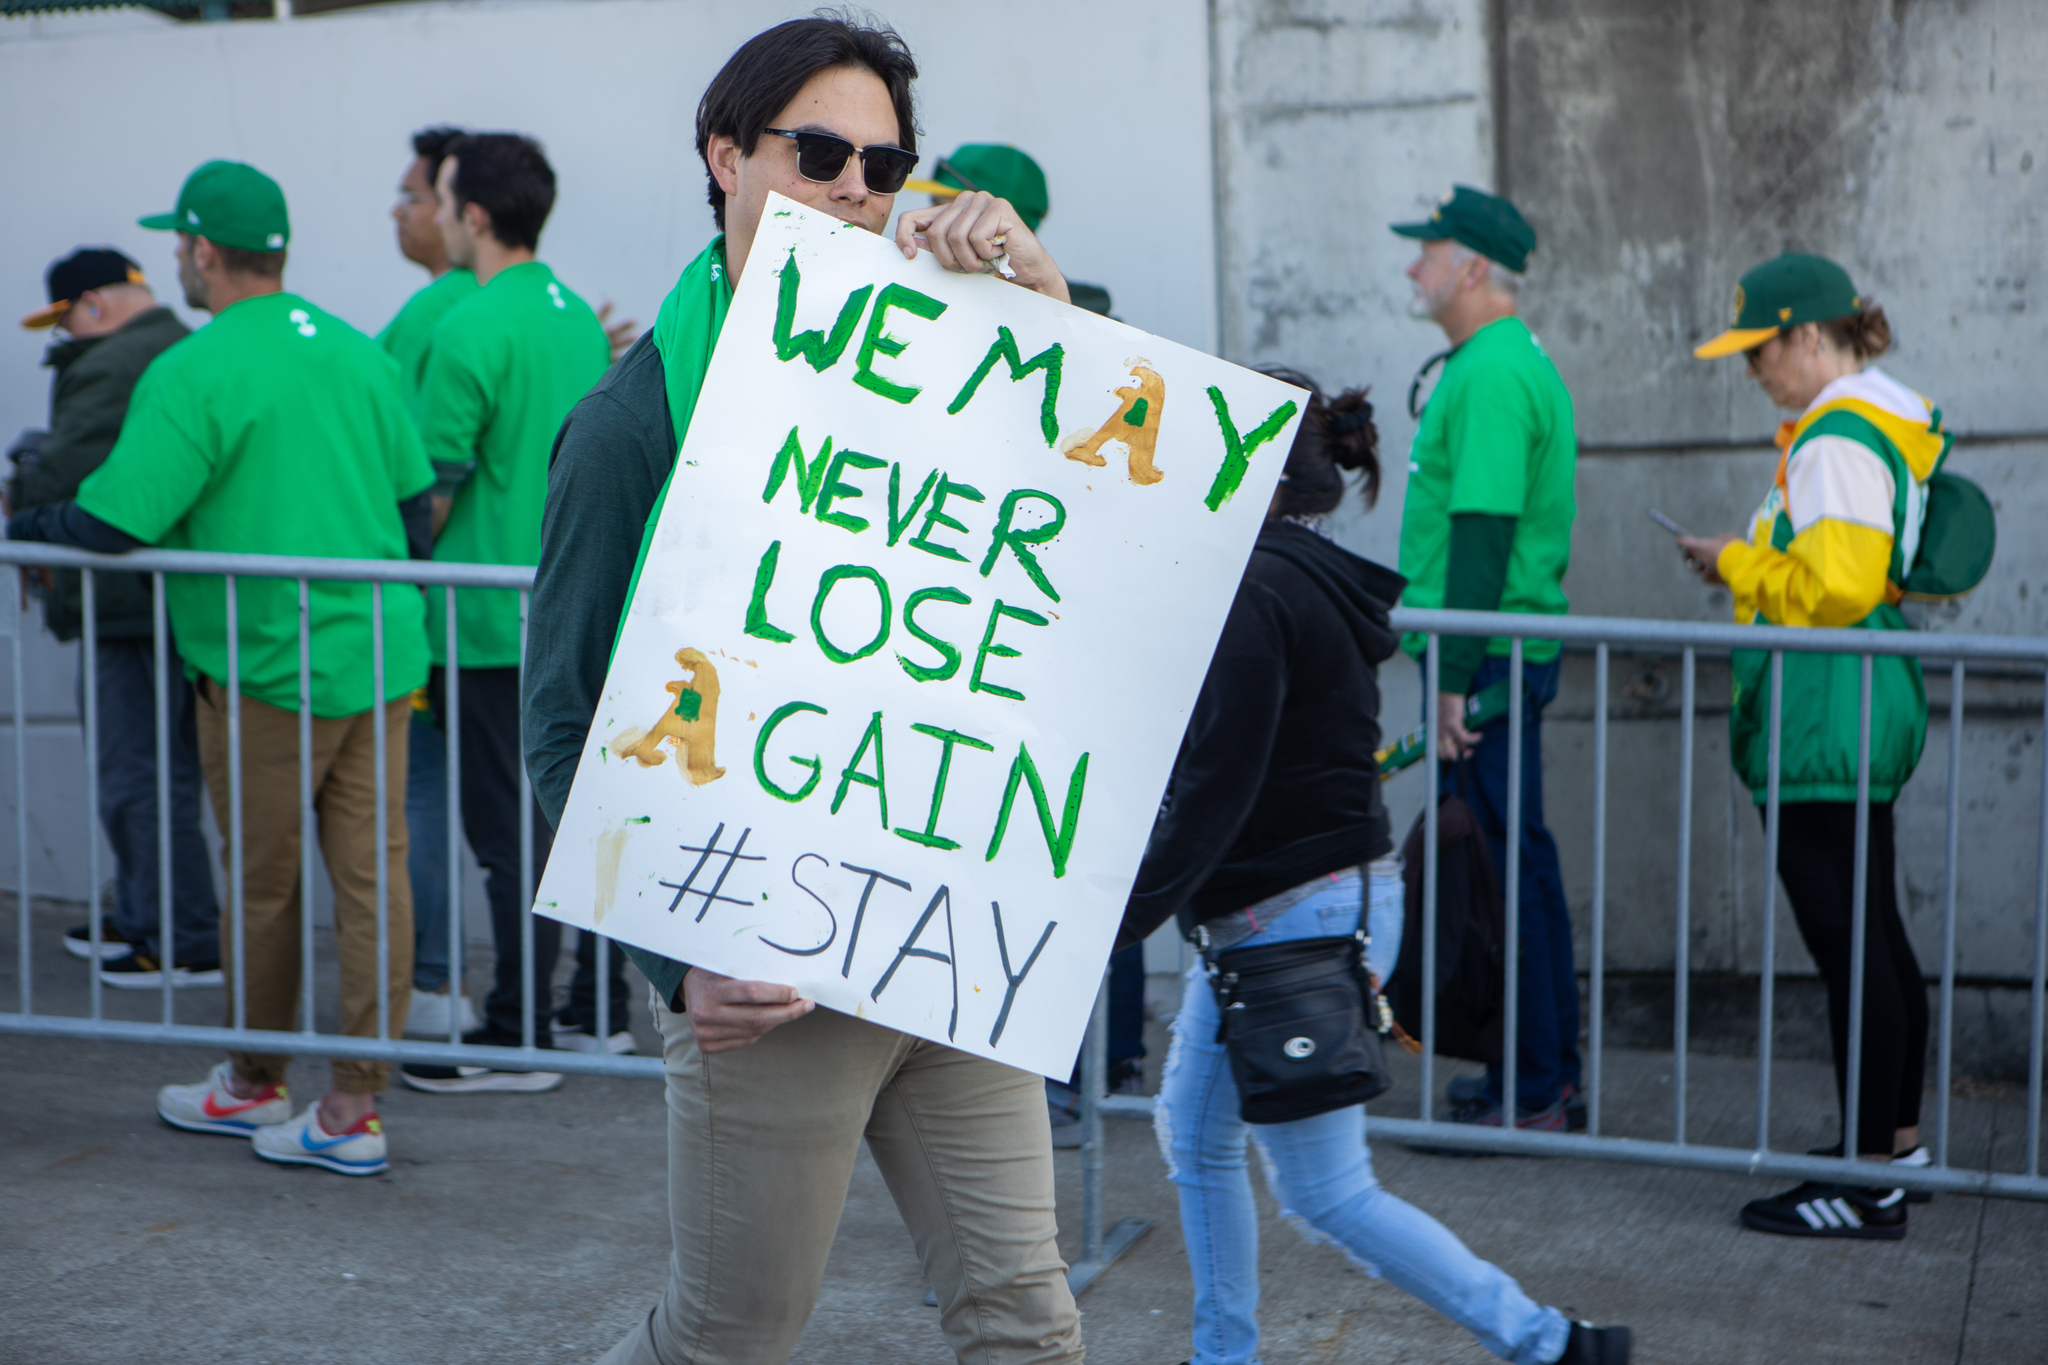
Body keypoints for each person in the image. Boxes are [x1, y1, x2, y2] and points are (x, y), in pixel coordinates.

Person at [523, 18, 1082, 1363]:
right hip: (759, 972)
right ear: (724, 157)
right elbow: (558, 727)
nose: (855, 189)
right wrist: (675, 959)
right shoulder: (628, 425)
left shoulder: (951, 349)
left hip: (946, 941)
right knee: (730, 1341)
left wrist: (1045, 301)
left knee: (1029, 1327)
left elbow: (1079, 527)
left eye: (884, 165)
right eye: (820, 150)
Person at [1119, 374, 1630, 1365]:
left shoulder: (1258, 588)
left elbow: (1217, 785)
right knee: (1194, 1133)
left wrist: (1118, 915)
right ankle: (1222, 1355)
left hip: (1287, 918)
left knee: (1325, 1194)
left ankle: (1550, 1343)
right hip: (1296, 908)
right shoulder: (1296, 573)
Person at [7, 160, 431, 1177]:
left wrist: (24, 528)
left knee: (267, 888)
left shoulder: (195, 368)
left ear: (202, 250)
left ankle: (252, 1084)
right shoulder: (354, 351)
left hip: (264, 668)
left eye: (179, 246)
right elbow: (416, 512)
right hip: (379, 653)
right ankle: (353, 1110)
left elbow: (114, 518)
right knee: (375, 884)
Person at [1682, 252, 1937, 1240]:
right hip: (1851, 700)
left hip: (1824, 702)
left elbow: (1833, 587)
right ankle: (1893, 1150)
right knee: (1871, 934)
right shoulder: (1874, 421)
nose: (1751, 373)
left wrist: (1739, 562)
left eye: (1758, 352)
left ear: (1804, 336)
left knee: (1850, 946)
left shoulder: (1833, 436)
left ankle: (1866, 1182)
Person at [907, 140, 1139, 1139]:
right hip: (984, 649)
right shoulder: (927, 305)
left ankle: (1091, 1063)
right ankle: (1075, 1061)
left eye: (943, 198)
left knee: (1065, 844)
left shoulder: (1076, 326)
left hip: (1046, 652)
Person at [393, 131, 618, 1096]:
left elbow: (430, 495)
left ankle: (515, 1027)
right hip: (574, 606)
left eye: (442, 202)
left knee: (508, 838)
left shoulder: (469, 330)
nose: (437, 218)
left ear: (472, 216)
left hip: (485, 622)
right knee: (577, 817)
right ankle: (591, 1010)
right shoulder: (574, 315)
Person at [1392, 186, 1583, 1132]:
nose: (1413, 269)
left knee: (1508, 871)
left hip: (1486, 655)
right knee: (1521, 863)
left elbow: (1482, 533)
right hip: (1497, 649)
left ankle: (1536, 1085)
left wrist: (1457, 675)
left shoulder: (1494, 373)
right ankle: (1546, 1073)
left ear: (1471, 267)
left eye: (1426, 253)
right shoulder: (1499, 363)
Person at [13, 246, 220, 989]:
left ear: (93, 304)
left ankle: (177, 935)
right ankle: (146, 916)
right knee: (149, 770)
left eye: (64, 320)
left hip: (131, 604)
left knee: (140, 772)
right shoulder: (173, 347)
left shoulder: (113, 362)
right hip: (155, 603)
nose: (63, 336)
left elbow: (70, 477)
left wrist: (22, 503)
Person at [378, 124, 482, 1043]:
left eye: (421, 197)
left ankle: (435, 980)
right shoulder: (535, 308)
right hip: (489, 617)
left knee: (422, 801)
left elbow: (417, 485)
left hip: (434, 616)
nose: (407, 212)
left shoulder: (440, 318)